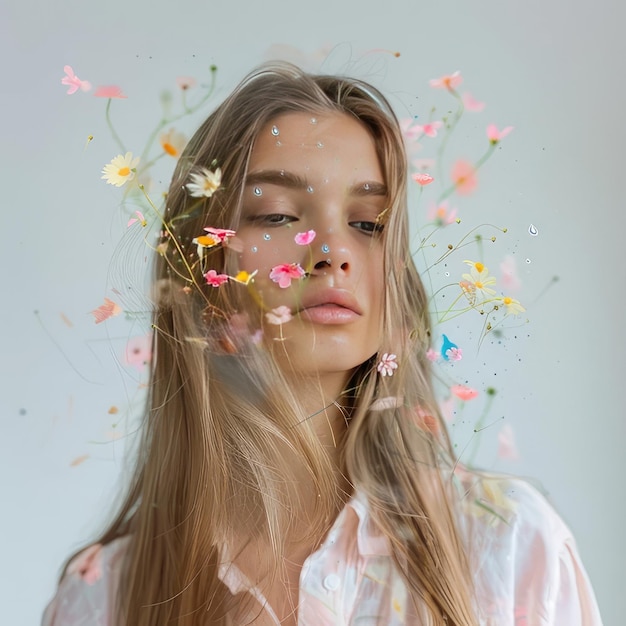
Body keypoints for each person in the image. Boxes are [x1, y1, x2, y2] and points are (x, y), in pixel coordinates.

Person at [42, 62, 603, 625]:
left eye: (369, 223)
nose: (333, 250)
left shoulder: (510, 548)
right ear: (200, 266)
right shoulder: (101, 598)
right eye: (278, 214)